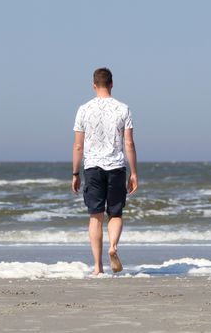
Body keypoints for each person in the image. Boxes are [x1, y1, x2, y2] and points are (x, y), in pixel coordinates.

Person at [72, 67, 138, 276]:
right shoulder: (123, 108)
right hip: (116, 167)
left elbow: (78, 146)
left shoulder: (83, 109)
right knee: (115, 213)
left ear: (94, 85)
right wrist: (133, 173)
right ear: (111, 84)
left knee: (95, 216)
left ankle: (98, 268)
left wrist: (75, 173)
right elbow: (129, 143)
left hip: (92, 167)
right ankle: (113, 247)